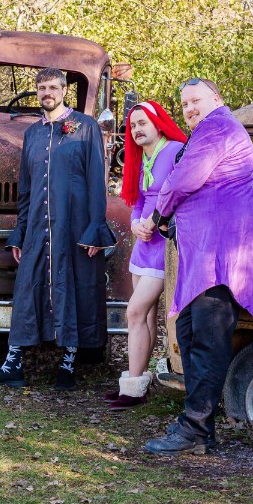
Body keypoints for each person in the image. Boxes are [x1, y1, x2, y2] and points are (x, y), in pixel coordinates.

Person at [141, 79, 253, 455]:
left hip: (222, 253)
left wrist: (157, 214)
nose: (189, 109)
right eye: (184, 104)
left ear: (217, 98)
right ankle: (198, 426)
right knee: (190, 332)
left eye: (195, 100)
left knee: (207, 341)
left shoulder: (218, 127)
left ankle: (195, 428)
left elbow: (185, 179)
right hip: (206, 253)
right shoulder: (212, 129)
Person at [0, 67, 115, 391]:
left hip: (73, 224)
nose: (46, 92)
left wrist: (96, 226)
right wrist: (20, 231)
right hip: (38, 225)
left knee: (73, 285)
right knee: (28, 288)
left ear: (63, 90)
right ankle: (13, 364)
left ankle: (67, 363)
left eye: (52, 87)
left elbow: (96, 179)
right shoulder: (32, 134)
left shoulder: (85, 127)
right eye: (41, 88)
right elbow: (26, 188)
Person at [104, 100, 186, 410]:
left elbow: (179, 195)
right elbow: (138, 201)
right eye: (132, 125)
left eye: (143, 123)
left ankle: (132, 389)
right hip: (143, 243)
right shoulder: (141, 158)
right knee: (146, 315)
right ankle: (137, 386)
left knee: (135, 312)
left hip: (164, 243)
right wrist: (137, 223)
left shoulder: (176, 150)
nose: (137, 129)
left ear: (157, 123)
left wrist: (154, 223)